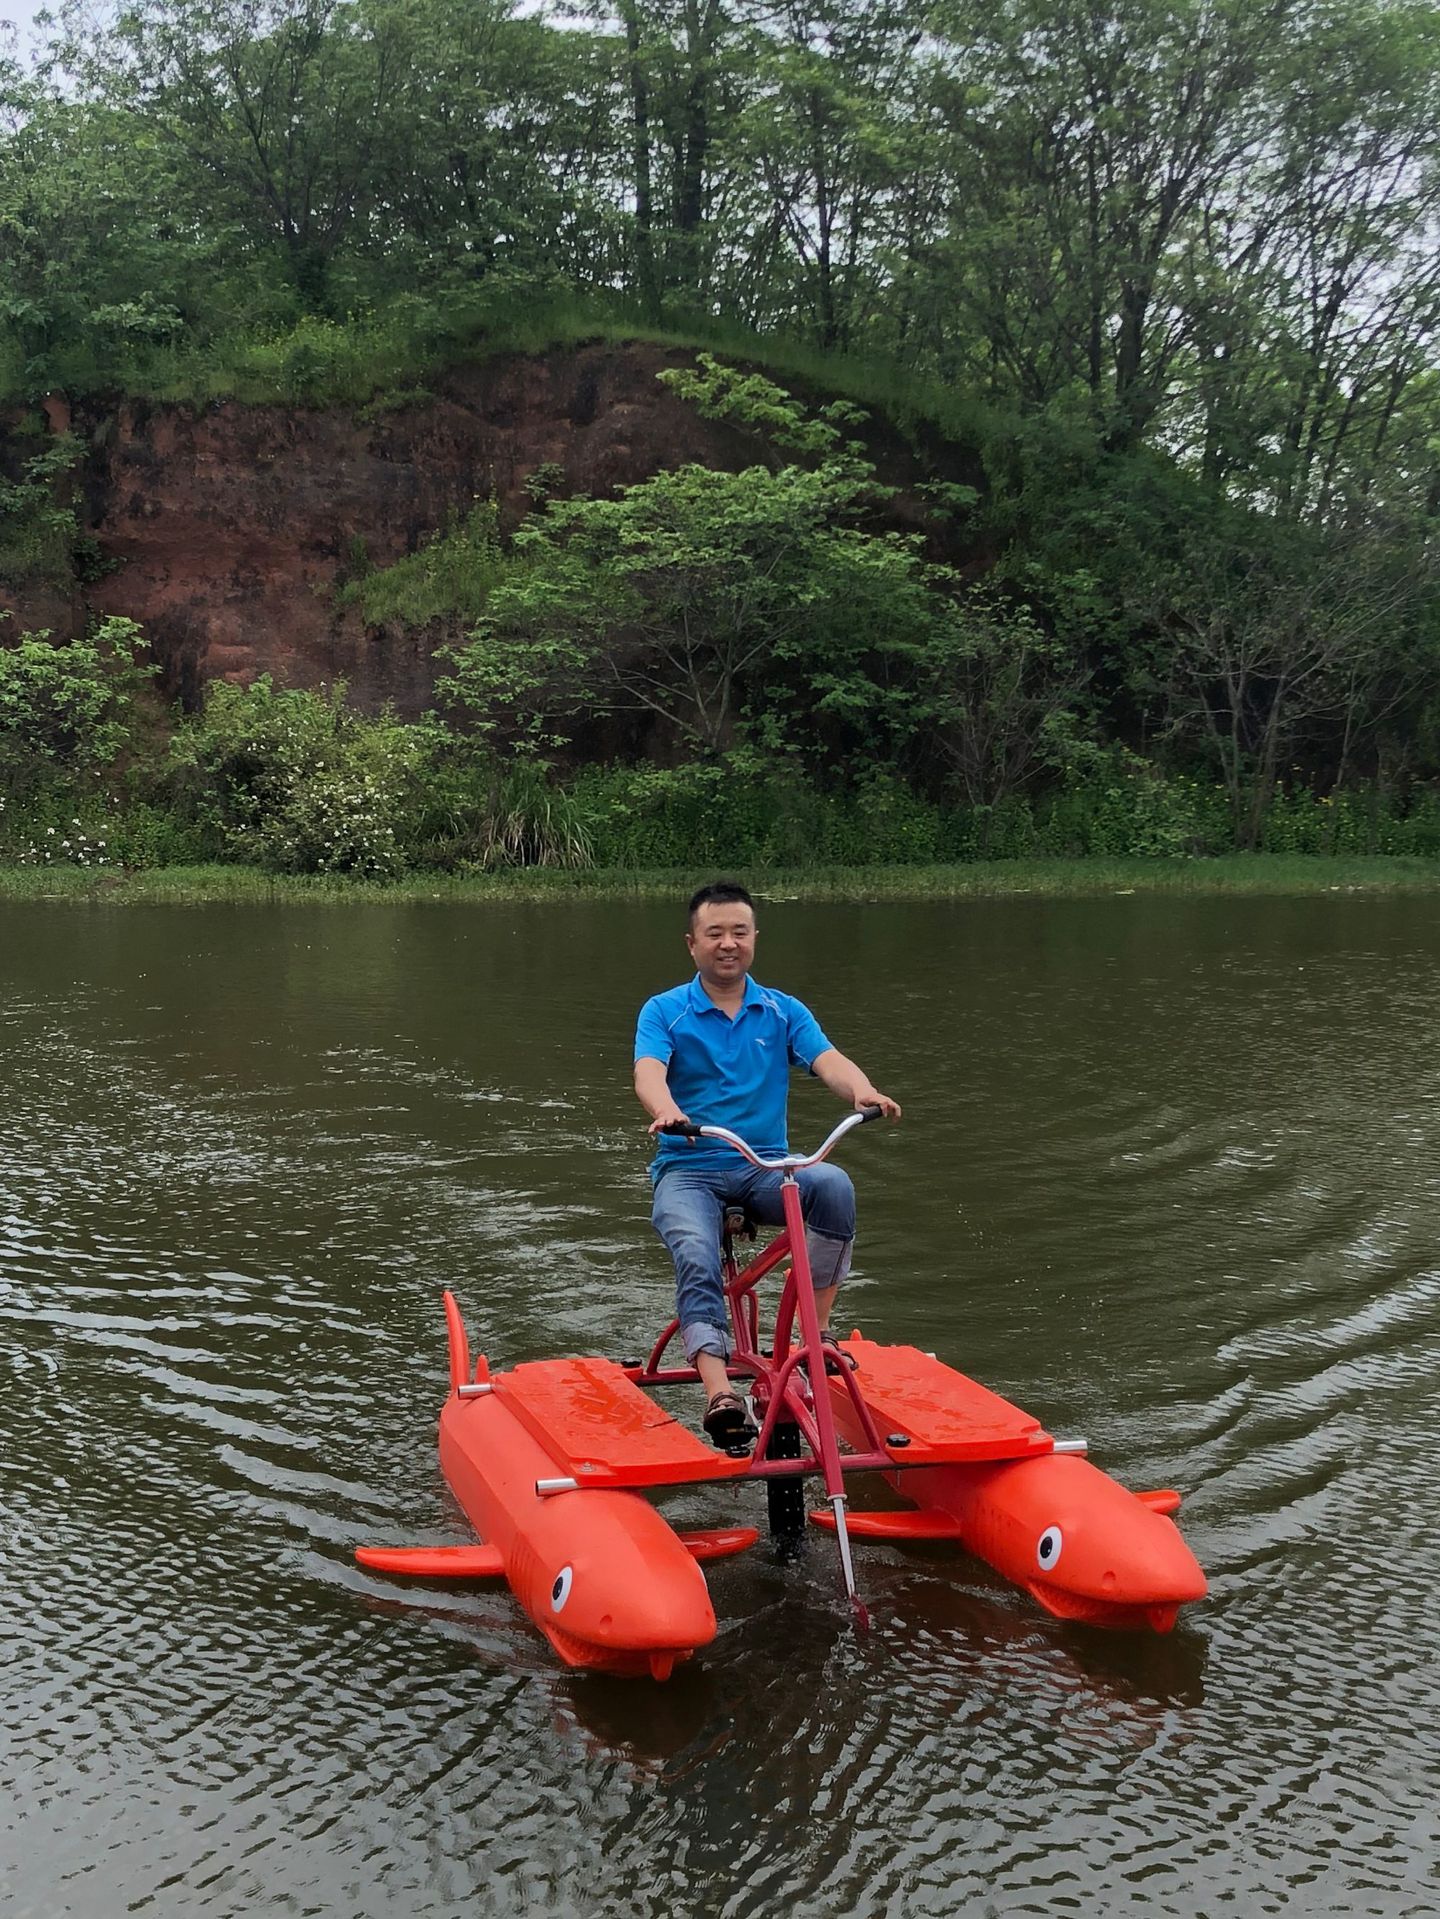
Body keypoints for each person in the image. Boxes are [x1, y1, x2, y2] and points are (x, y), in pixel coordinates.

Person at [633, 881, 901, 1445]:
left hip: (764, 1168)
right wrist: (666, 1110)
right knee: (695, 1249)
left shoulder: (782, 1009)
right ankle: (718, 1392)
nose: (728, 943)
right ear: (692, 943)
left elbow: (827, 1058)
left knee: (833, 1186)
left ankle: (815, 1336)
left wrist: (863, 1091)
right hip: (690, 1167)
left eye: (739, 932)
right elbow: (649, 1071)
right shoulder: (664, 1010)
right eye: (715, 933)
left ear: (754, 937)